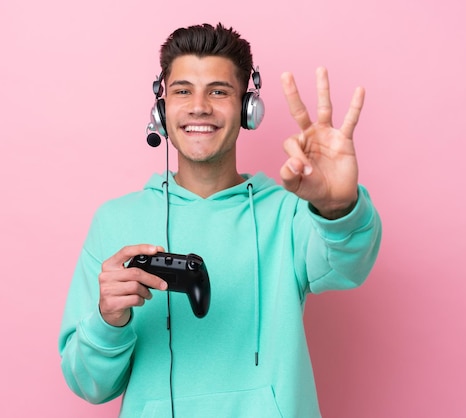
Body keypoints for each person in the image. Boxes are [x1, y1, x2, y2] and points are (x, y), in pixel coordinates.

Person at [58, 23, 382, 418]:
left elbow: (350, 264)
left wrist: (338, 206)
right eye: (182, 91)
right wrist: (108, 320)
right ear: (161, 110)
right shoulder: (114, 222)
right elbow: (89, 384)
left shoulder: (290, 211)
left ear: (248, 108)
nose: (199, 106)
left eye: (218, 91)